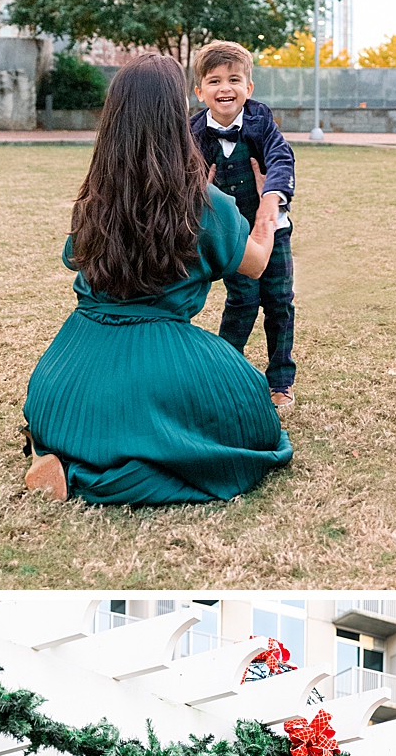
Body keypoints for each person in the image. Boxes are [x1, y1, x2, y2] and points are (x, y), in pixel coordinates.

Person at [21, 52, 293, 504]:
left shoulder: (93, 197)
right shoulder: (206, 204)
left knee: (69, 416)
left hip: (68, 370)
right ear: (176, 117)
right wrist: (267, 205)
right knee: (254, 423)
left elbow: (74, 257)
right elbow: (257, 262)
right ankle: (91, 476)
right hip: (163, 355)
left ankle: (56, 453)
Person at [190, 41, 299, 410]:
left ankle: (280, 380)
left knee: (279, 302)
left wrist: (271, 198)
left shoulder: (260, 120)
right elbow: (181, 175)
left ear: (248, 88)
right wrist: (197, 187)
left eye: (234, 80)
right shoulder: (192, 132)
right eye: (215, 81)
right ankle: (225, 372)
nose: (225, 89)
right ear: (199, 90)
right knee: (242, 300)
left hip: (273, 226)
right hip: (231, 232)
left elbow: (281, 158)